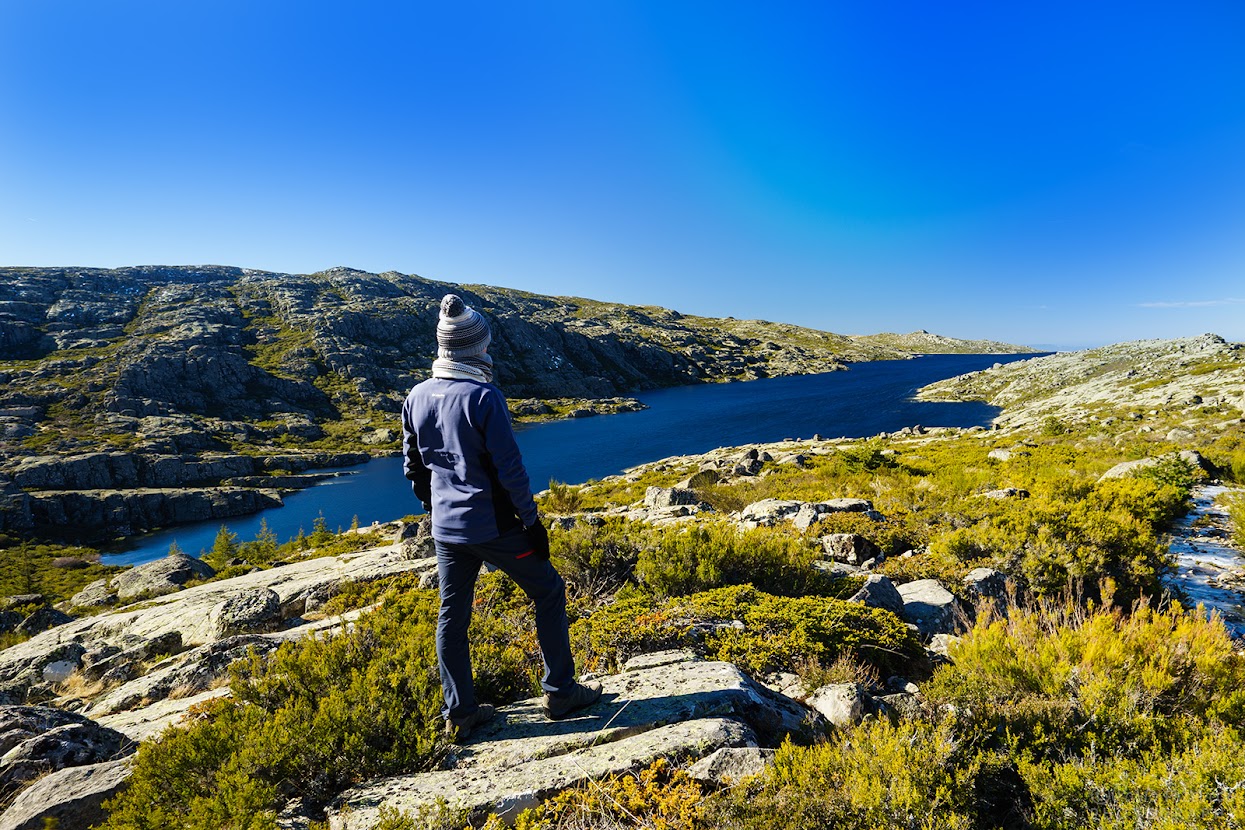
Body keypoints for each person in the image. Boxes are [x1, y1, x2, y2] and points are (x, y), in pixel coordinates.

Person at [401, 293, 602, 740]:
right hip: (495, 525)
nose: (488, 350)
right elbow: (510, 472)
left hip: (446, 530)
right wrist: (532, 523)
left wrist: (435, 507)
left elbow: (414, 468)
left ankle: (460, 712)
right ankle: (560, 691)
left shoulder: (416, 396)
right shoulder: (484, 396)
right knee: (548, 590)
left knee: (452, 615)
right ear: (474, 347)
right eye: (484, 344)